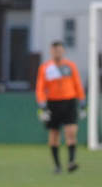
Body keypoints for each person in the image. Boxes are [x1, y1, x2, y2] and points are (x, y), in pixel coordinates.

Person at [35, 41, 84, 174]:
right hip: (52, 103)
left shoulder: (70, 66)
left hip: (69, 102)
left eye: (59, 50)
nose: (57, 52)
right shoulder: (46, 68)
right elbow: (40, 88)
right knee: (54, 134)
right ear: (51, 52)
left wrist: (82, 102)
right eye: (55, 50)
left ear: (63, 51)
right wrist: (42, 106)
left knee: (71, 131)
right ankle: (57, 165)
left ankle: (71, 162)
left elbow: (77, 84)